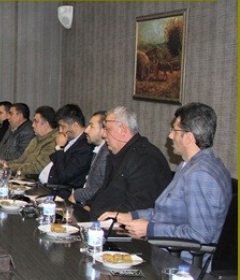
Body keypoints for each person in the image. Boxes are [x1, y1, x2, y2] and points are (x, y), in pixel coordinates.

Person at [100, 103, 231, 247]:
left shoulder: (200, 175)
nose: (170, 136)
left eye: (174, 131)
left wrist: (149, 229)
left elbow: (199, 236)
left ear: (188, 137)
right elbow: (167, 213)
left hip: (176, 256)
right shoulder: (191, 164)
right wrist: (131, 216)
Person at [87, 106, 171, 218]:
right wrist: (88, 206)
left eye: (107, 129)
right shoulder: (119, 154)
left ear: (122, 129)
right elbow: (106, 191)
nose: (103, 135)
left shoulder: (145, 159)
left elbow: (138, 207)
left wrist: (96, 215)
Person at [42, 104, 95, 197]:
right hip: (46, 187)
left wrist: (59, 148)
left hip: (62, 194)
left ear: (75, 125)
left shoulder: (85, 147)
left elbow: (64, 177)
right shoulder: (69, 140)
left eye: (63, 127)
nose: (60, 130)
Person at [69, 111, 109, 206]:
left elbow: (100, 190)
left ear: (103, 130)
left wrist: (76, 195)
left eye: (91, 126)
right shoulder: (99, 150)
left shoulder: (107, 155)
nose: (86, 130)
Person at [5, 106, 58, 175]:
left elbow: (37, 168)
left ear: (46, 124)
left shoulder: (54, 142)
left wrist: (9, 167)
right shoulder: (36, 139)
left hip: (34, 179)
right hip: (23, 176)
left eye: (36, 122)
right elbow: (21, 160)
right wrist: (4, 163)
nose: (32, 125)